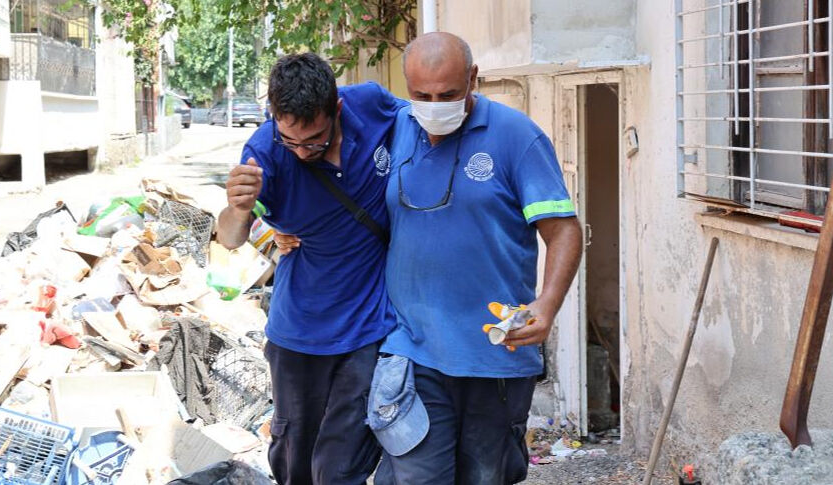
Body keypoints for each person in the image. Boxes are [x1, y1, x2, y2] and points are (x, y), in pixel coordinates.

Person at [371, 32, 584, 484]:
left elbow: (563, 229)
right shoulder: (396, 129)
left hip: (495, 355)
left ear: (472, 79)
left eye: (447, 94)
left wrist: (546, 305)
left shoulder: (516, 137)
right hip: (414, 351)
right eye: (420, 95)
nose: (433, 105)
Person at [216, 53, 404, 485]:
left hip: (366, 331)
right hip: (298, 335)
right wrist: (237, 207)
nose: (301, 152)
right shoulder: (265, 153)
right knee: (295, 462)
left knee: (341, 467)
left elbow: (423, 129)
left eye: (314, 140)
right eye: (290, 140)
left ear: (337, 110)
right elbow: (230, 237)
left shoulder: (372, 105)